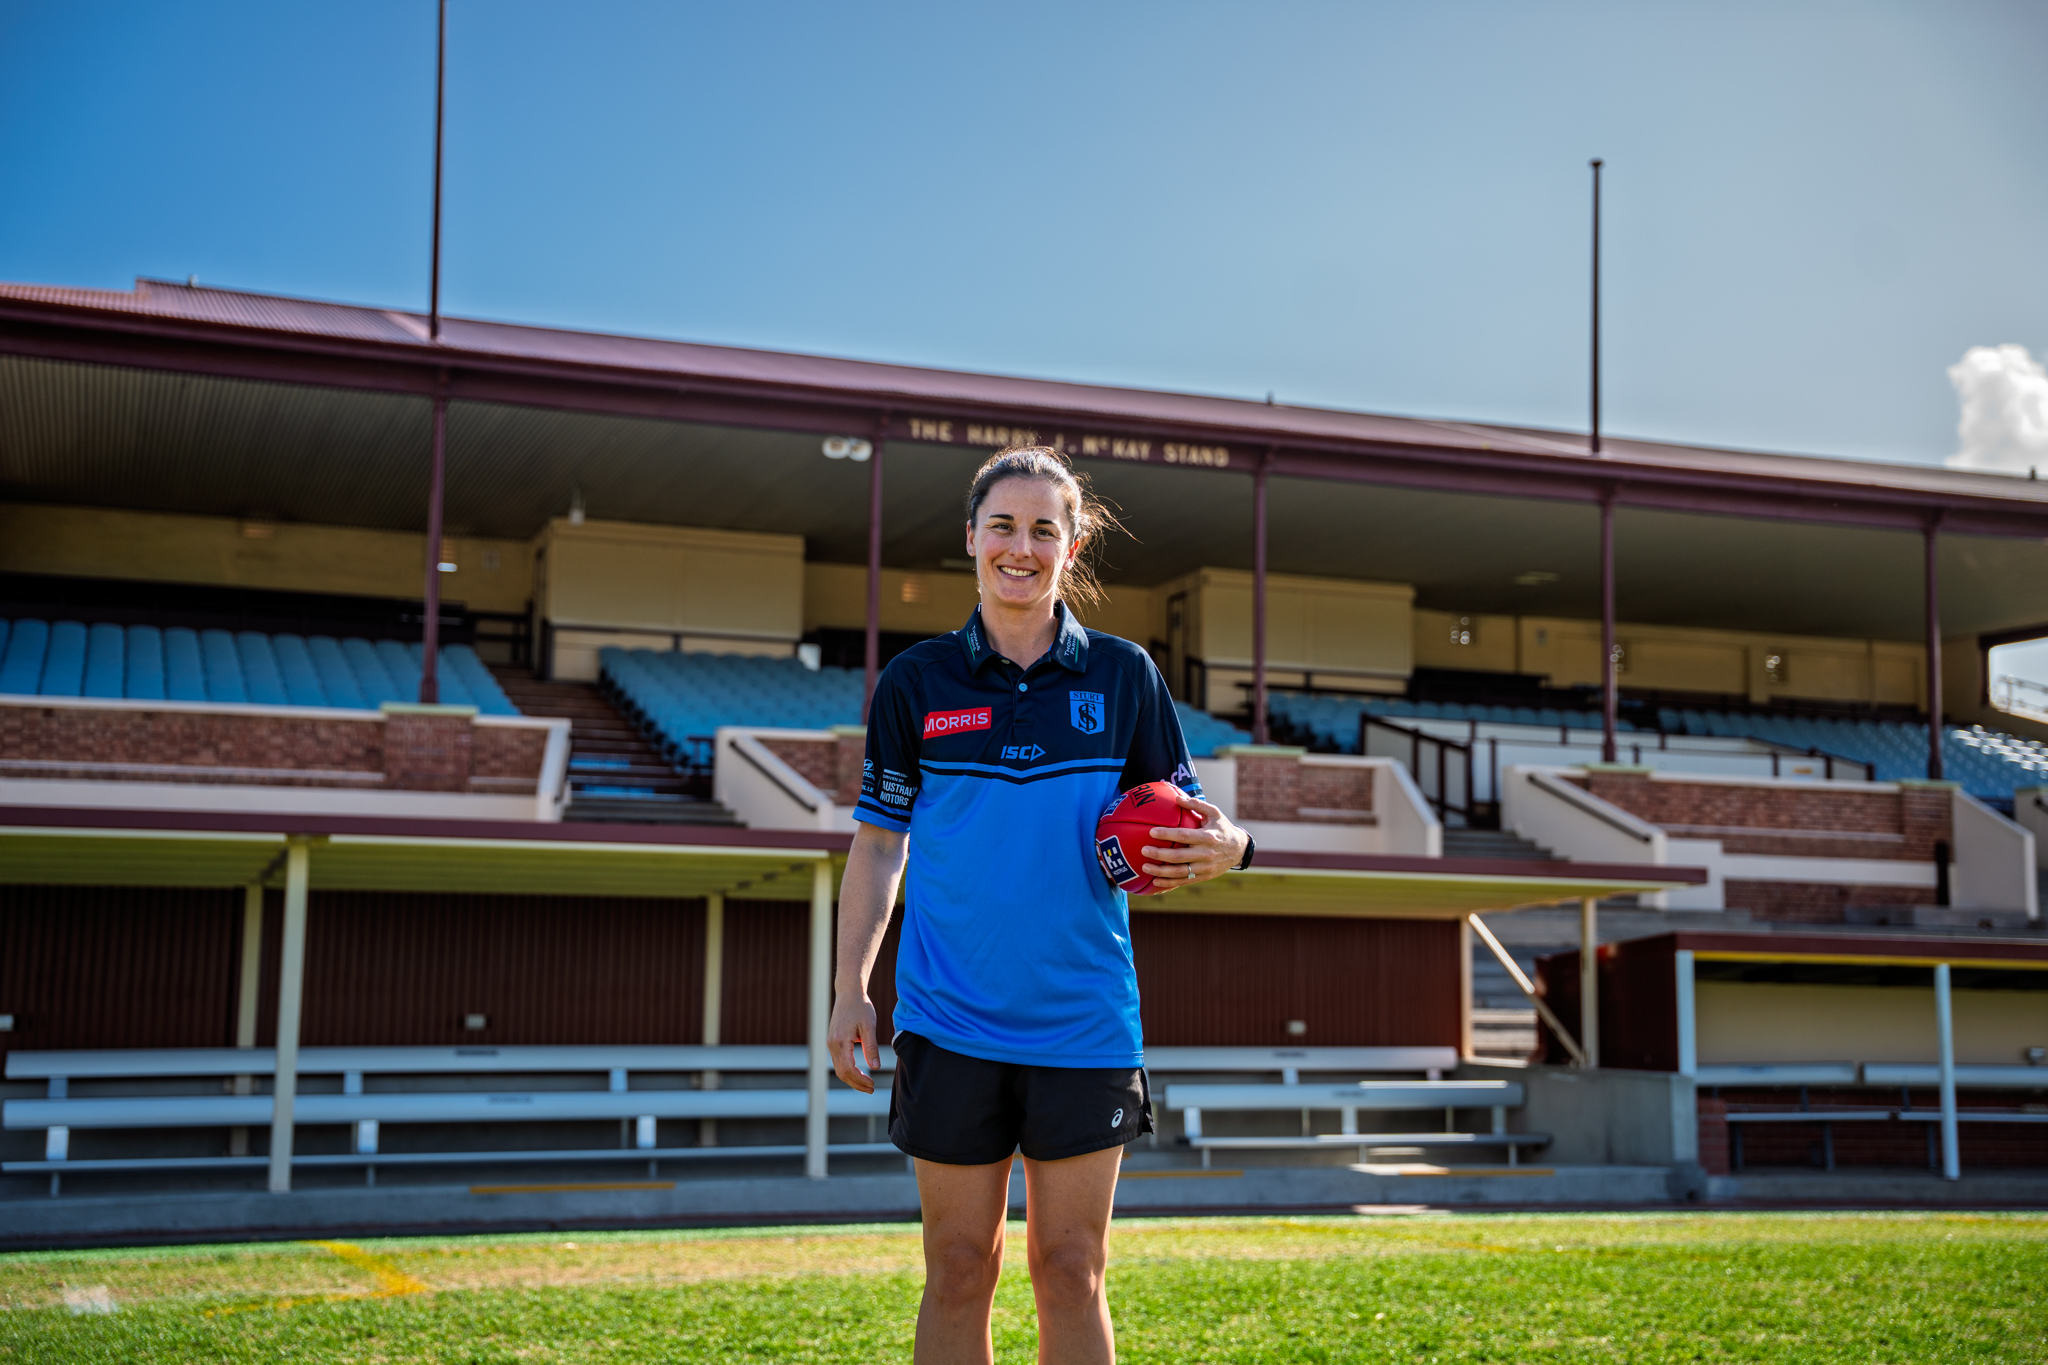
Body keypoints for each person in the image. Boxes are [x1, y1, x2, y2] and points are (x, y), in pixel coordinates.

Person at [829, 447, 1253, 1364]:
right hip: (948, 1019)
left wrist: (1236, 847)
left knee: (1070, 1267)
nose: (1021, 547)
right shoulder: (915, 682)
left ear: (1074, 543)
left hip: (1084, 1023)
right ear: (971, 538)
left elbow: (1189, 821)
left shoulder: (1124, 675)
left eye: (1044, 529)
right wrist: (849, 987)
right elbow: (877, 842)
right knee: (955, 1265)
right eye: (1003, 526)